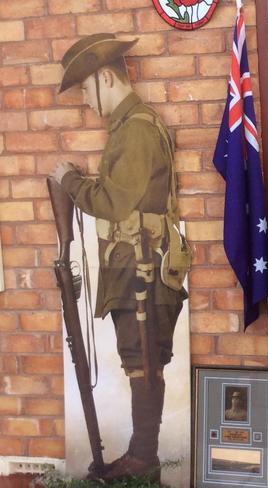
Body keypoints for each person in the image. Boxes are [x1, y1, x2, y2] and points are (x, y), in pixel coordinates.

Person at [50, 33, 187, 482]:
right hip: (134, 267)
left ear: (106, 78)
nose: (86, 101)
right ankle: (139, 456)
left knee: (144, 362)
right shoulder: (132, 129)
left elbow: (112, 202)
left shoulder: (137, 130)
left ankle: (142, 460)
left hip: (142, 270)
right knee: (140, 362)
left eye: (87, 89)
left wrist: (69, 181)